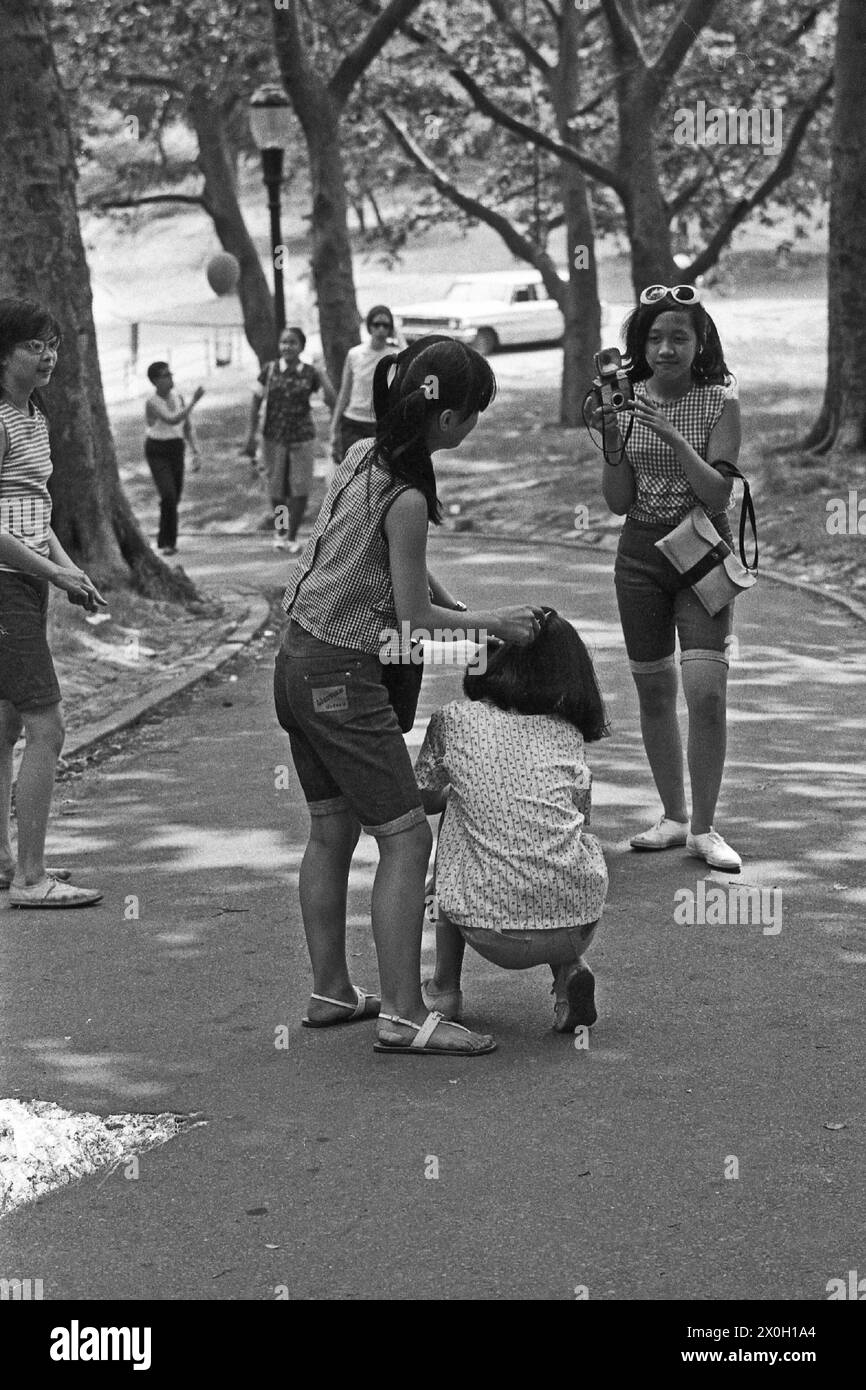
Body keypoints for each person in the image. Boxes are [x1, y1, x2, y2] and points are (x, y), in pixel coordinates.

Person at [273, 335, 544, 1056]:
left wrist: (462, 603)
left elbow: (402, 575)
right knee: (406, 836)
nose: (475, 422)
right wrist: (495, 622)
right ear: (450, 417)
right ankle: (403, 1011)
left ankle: (331, 991)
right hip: (341, 676)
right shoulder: (411, 495)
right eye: (475, 410)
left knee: (331, 831)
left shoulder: (364, 456)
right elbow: (411, 618)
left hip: (297, 661)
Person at [595, 283, 743, 871]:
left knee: (706, 695)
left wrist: (671, 436)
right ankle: (675, 817)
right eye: (653, 338)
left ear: (699, 340)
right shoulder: (624, 403)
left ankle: (705, 829)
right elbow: (616, 501)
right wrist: (614, 439)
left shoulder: (720, 402)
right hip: (639, 557)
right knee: (654, 691)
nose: (665, 349)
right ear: (639, 344)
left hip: (701, 554)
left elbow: (718, 492)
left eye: (678, 337)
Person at [415, 609, 609, 1032]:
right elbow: (579, 819)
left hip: (492, 931)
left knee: (455, 814)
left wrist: (459, 792)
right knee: (553, 841)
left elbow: (425, 797)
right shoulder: (566, 732)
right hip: (579, 921)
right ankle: (569, 972)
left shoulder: (454, 719)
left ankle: (445, 987)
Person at [0, 297, 106, 908]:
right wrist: (54, 576)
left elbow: (32, 511)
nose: (48, 357)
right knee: (49, 724)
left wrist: (69, 571)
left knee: (8, 723)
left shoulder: (34, 414)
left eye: (53, 345)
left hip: (25, 581)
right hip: (2, 587)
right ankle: (31, 878)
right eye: (33, 346)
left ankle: (5, 858)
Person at [243, 327, 336, 552]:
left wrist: (322, 375)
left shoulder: (310, 373)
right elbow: (255, 401)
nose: (287, 347)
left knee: (299, 489)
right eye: (284, 342)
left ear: (301, 347)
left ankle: (292, 536)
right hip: (273, 437)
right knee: (277, 490)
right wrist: (251, 433)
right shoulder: (270, 370)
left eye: (292, 343)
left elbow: (331, 400)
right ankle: (281, 531)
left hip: (301, 438)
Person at [329, 305, 405, 463]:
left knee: (378, 472)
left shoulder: (394, 355)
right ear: (369, 326)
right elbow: (345, 392)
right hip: (353, 422)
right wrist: (334, 426)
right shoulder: (355, 354)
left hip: (380, 425)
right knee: (353, 472)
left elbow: (411, 360)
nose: (381, 329)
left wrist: (398, 333)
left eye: (386, 325)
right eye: (377, 324)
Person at [144, 361, 204, 556]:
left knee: (174, 496)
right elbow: (172, 419)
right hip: (157, 449)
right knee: (168, 494)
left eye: (171, 374)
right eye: (165, 375)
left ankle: (169, 539)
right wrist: (195, 401)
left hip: (175, 448)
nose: (170, 379)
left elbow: (186, 425)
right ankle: (166, 542)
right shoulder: (152, 402)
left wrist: (196, 450)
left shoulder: (178, 397)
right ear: (155, 381)